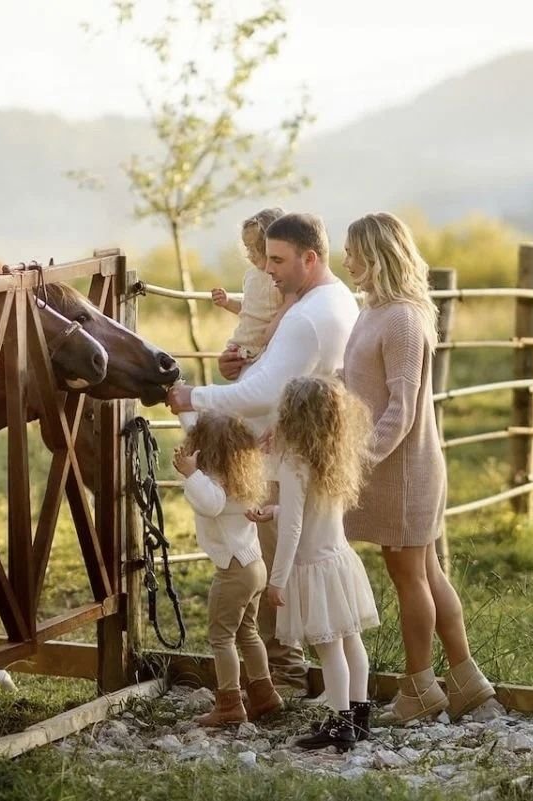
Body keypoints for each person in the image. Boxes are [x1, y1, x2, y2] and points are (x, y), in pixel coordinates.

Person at [167, 212, 360, 693]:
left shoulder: (309, 316)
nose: (267, 270)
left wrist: (196, 398)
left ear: (310, 258)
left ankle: (297, 689)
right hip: (287, 449)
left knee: (299, 603)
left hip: (278, 458)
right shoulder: (328, 301)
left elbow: (266, 394)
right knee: (334, 625)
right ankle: (334, 702)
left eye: (277, 260)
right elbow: (271, 379)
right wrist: (241, 368)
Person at [340, 212, 496, 723]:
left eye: (354, 251)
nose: (347, 260)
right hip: (394, 466)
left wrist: (359, 463)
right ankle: (468, 683)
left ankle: (419, 691)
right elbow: (364, 379)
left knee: (410, 575)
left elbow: (401, 408)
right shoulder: (374, 311)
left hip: (402, 469)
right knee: (425, 571)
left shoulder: (404, 319)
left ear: (378, 253)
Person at [248, 376, 379, 751]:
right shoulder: (333, 458)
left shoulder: (295, 465)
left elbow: (292, 529)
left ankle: (340, 725)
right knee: (351, 641)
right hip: (338, 561)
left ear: (292, 417)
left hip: (313, 569)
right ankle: (358, 714)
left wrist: (277, 580)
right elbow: (306, 513)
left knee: (329, 649)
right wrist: (273, 509)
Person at [172, 412, 283, 727]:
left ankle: (230, 704)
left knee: (221, 637)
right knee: (247, 632)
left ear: (203, 448)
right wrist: (182, 404)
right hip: (254, 565)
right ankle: (265, 695)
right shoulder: (243, 474)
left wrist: (192, 475)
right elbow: (199, 428)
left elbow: (211, 504)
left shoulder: (214, 482)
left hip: (234, 570)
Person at [210, 207, 295, 364]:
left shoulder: (283, 278)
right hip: (241, 347)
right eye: (247, 248)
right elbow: (249, 310)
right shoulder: (250, 276)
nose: (250, 254)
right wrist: (227, 302)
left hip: (266, 350)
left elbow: (288, 312)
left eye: (255, 247)